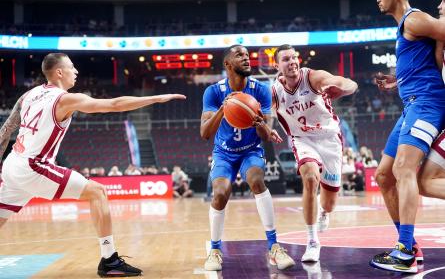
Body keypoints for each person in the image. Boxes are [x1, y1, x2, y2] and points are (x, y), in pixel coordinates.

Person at [0, 53, 186, 277]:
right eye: (71, 67)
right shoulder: (64, 99)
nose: (76, 71)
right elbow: (114, 105)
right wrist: (155, 98)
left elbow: (7, 128)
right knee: (98, 192)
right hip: (33, 166)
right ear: (59, 72)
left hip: (12, 163)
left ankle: (110, 260)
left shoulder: (28, 95)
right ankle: (110, 260)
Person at [200, 44, 295, 271]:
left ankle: (274, 246)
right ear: (227, 64)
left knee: (256, 181)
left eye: (247, 55)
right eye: (239, 55)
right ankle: (214, 250)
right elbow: (205, 133)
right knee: (220, 193)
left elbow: (266, 135)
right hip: (223, 153)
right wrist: (225, 109)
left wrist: (259, 122)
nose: (246, 58)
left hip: (251, 150)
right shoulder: (213, 92)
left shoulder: (260, 89)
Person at [370, 0, 445, 273]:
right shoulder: (405, 25)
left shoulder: (413, 18)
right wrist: (397, 80)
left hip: (427, 103)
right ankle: (409, 244)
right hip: (411, 104)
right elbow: (425, 61)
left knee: (403, 169)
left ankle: (404, 252)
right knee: (384, 175)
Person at [272, 44, 357, 262]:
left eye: (294, 57)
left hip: (329, 139)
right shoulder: (274, 91)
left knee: (329, 203)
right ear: (277, 65)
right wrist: (264, 125)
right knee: (310, 177)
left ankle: (324, 212)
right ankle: (312, 241)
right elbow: (262, 113)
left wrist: (343, 88)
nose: (292, 61)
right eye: (285, 59)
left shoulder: (314, 78)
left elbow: (349, 83)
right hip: (302, 139)